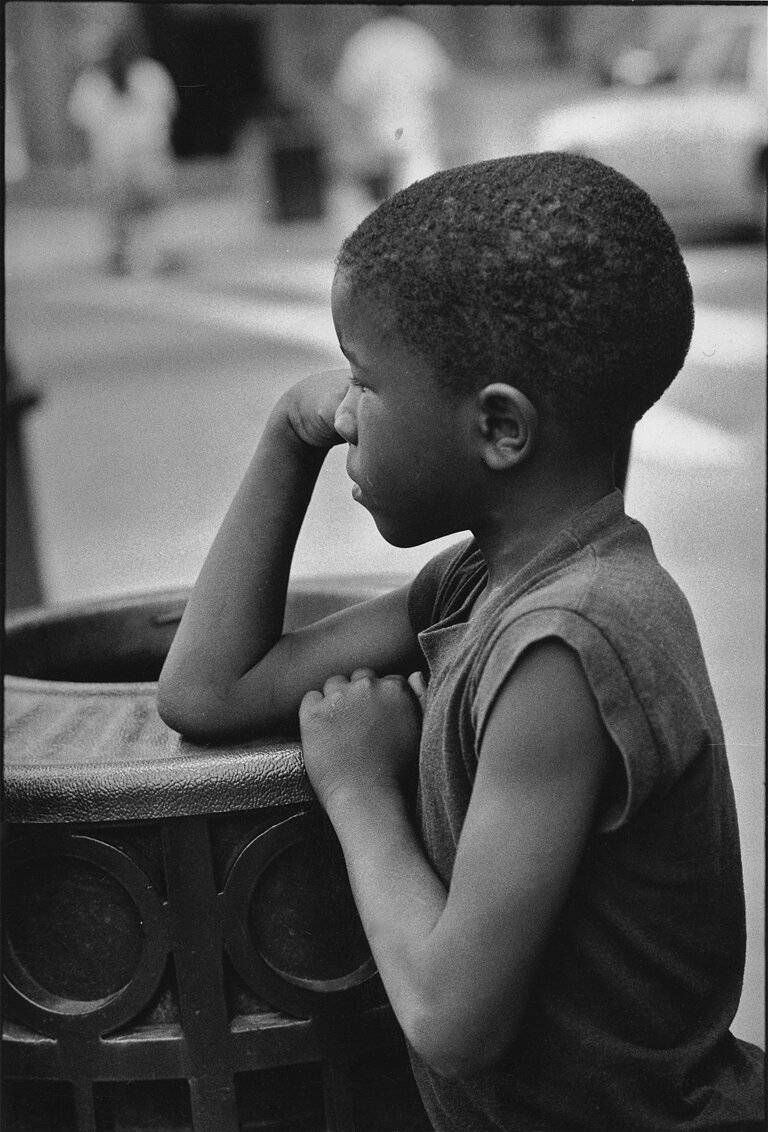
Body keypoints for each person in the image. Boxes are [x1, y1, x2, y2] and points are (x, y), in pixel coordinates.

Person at [157, 153, 765, 1130]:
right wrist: (285, 437)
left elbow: (452, 1016)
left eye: (365, 382)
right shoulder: (480, 581)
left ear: (499, 426)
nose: (344, 412)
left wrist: (360, 790)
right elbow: (208, 692)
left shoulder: (567, 641)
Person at [68, 32, 179, 275]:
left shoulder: (149, 74)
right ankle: (124, 255)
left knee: (148, 211)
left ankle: (149, 255)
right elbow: (80, 126)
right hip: (111, 160)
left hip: (147, 155)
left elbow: (166, 114)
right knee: (118, 214)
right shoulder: (92, 82)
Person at [332, 11, 452, 201]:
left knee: (385, 209)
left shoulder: (364, 41)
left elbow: (348, 97)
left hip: (383, 135)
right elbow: (440, 87)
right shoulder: (417, 37)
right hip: (413, 133)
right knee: (422, 201)